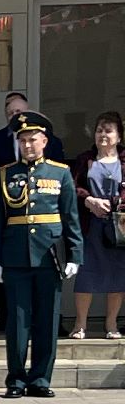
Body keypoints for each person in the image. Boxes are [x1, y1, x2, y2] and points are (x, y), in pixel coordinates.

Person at [0, 110, 84, 398]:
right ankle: (16, 379)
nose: (27, 145)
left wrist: (75, 254)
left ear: (45, 141)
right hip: (15, 257)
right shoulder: (5, 174)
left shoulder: (60, 172)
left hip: (48, 256)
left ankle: (41, 378)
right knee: (17, 322)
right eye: (23, 140)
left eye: (33, 140)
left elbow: (71, 218)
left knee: (47, 319)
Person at [69, 111, 125, 339]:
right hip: (90, 226)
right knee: (86, 275)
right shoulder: (85, 159)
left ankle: (111, 324)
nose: (103, 135)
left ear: (119, 136)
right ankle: (80, 323)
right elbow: (71, 186)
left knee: (117, 275)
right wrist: (89, 200)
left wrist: (116, 202)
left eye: (108, 130)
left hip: (119, 228)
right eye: (99, 130)